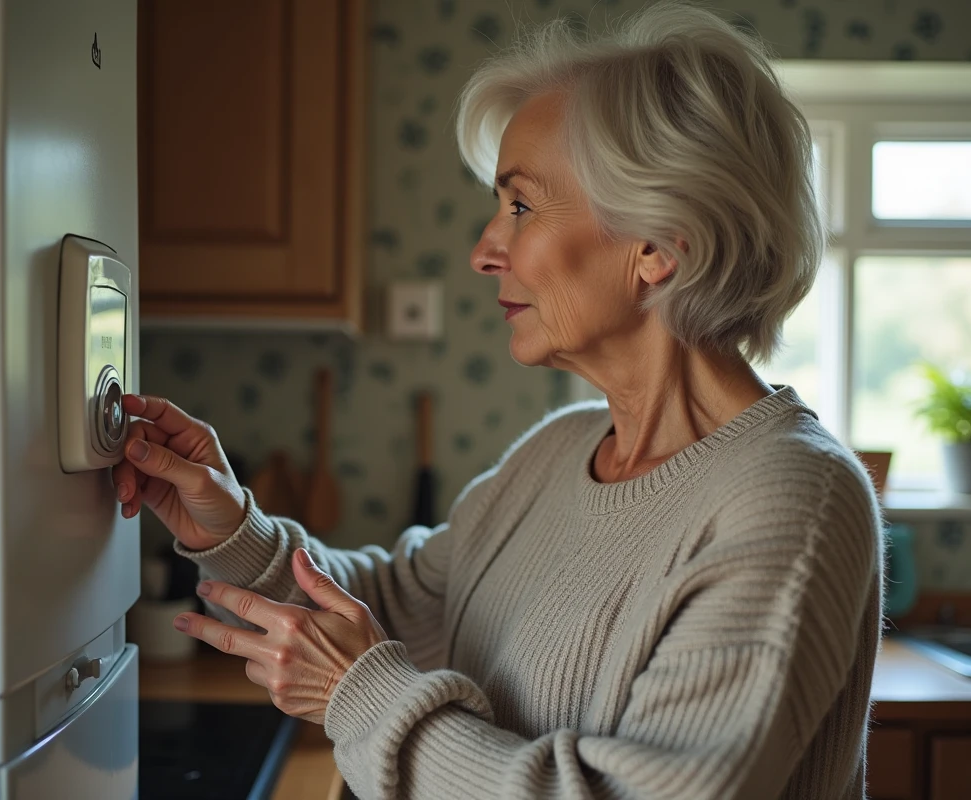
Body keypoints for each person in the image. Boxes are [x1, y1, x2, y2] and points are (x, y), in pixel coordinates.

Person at [113, 3, 882, 797]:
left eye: (520, 205)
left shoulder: (791, 498)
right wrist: (233, 523)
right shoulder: (556, 453)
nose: (484, 250)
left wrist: (361, 695)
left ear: (656, 243)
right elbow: (397, 607)